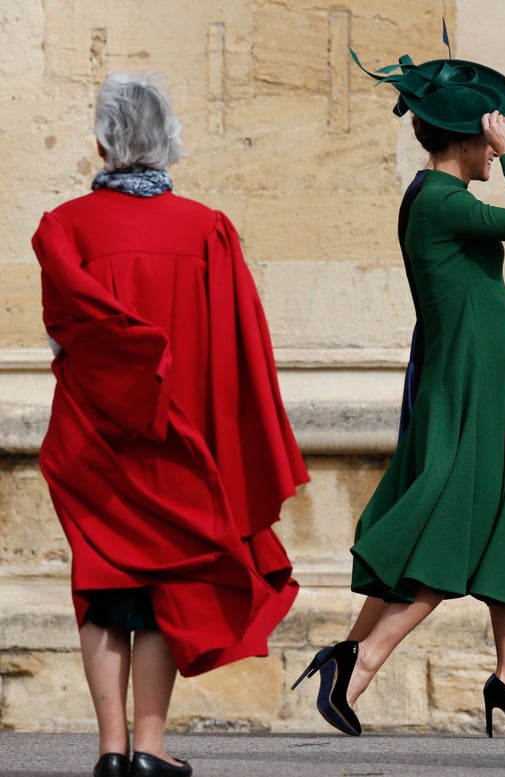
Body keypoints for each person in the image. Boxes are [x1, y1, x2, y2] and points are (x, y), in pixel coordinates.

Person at [291, 51, 505, 738]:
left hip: (493, 377)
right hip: (476, 379)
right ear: (465, 141)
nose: (494, 147)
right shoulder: (444, 199)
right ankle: (359, 660)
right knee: (456, 520)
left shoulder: (443, 198)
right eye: (488, 138)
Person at [32, 73, 308, 777]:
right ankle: (151, 748)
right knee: (164, 589)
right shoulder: (206, 229)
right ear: (168, 143)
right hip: (181, 442)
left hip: (95, 440)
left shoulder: (64, 227)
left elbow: (65, 334)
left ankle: (111, 751)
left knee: (102, 583)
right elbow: (240, 348)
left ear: (101, 139)